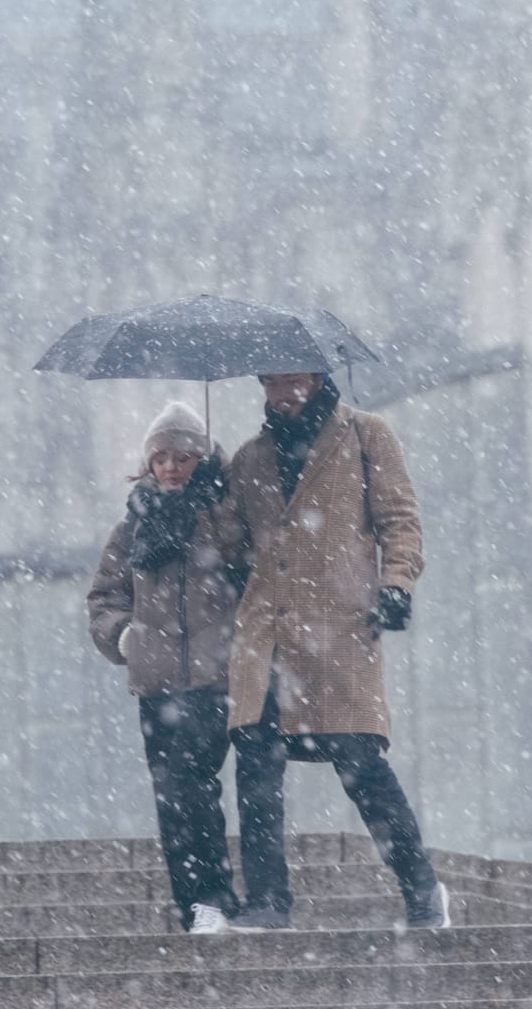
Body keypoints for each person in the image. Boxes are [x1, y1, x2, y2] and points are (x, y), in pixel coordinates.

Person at [222, 370, 450, 931]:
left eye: (287, 380)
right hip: (266, 636)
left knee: (361, 766)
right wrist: (209, 493)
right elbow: (229, 550)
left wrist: (397, 583)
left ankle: (422, 891)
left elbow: (401, 520)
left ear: (317, 376)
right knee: (256, 773)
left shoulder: (367, 435)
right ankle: (269, 903)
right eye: (268, 383)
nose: (278, 394)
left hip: (338, 632)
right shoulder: (250, 458)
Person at [86, 401, 246, 935]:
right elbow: (104, 599)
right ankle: (196, 906)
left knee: (192, 783)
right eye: (163, 458)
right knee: (172, 795)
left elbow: (250, 574)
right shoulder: (132, 529)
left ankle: (213, 899)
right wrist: (125, 637)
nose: (173, 467)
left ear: (202, 460)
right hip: (156, 685)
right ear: (149, 464)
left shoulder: (221, 518)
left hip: (212, 679)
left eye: (184, 456)